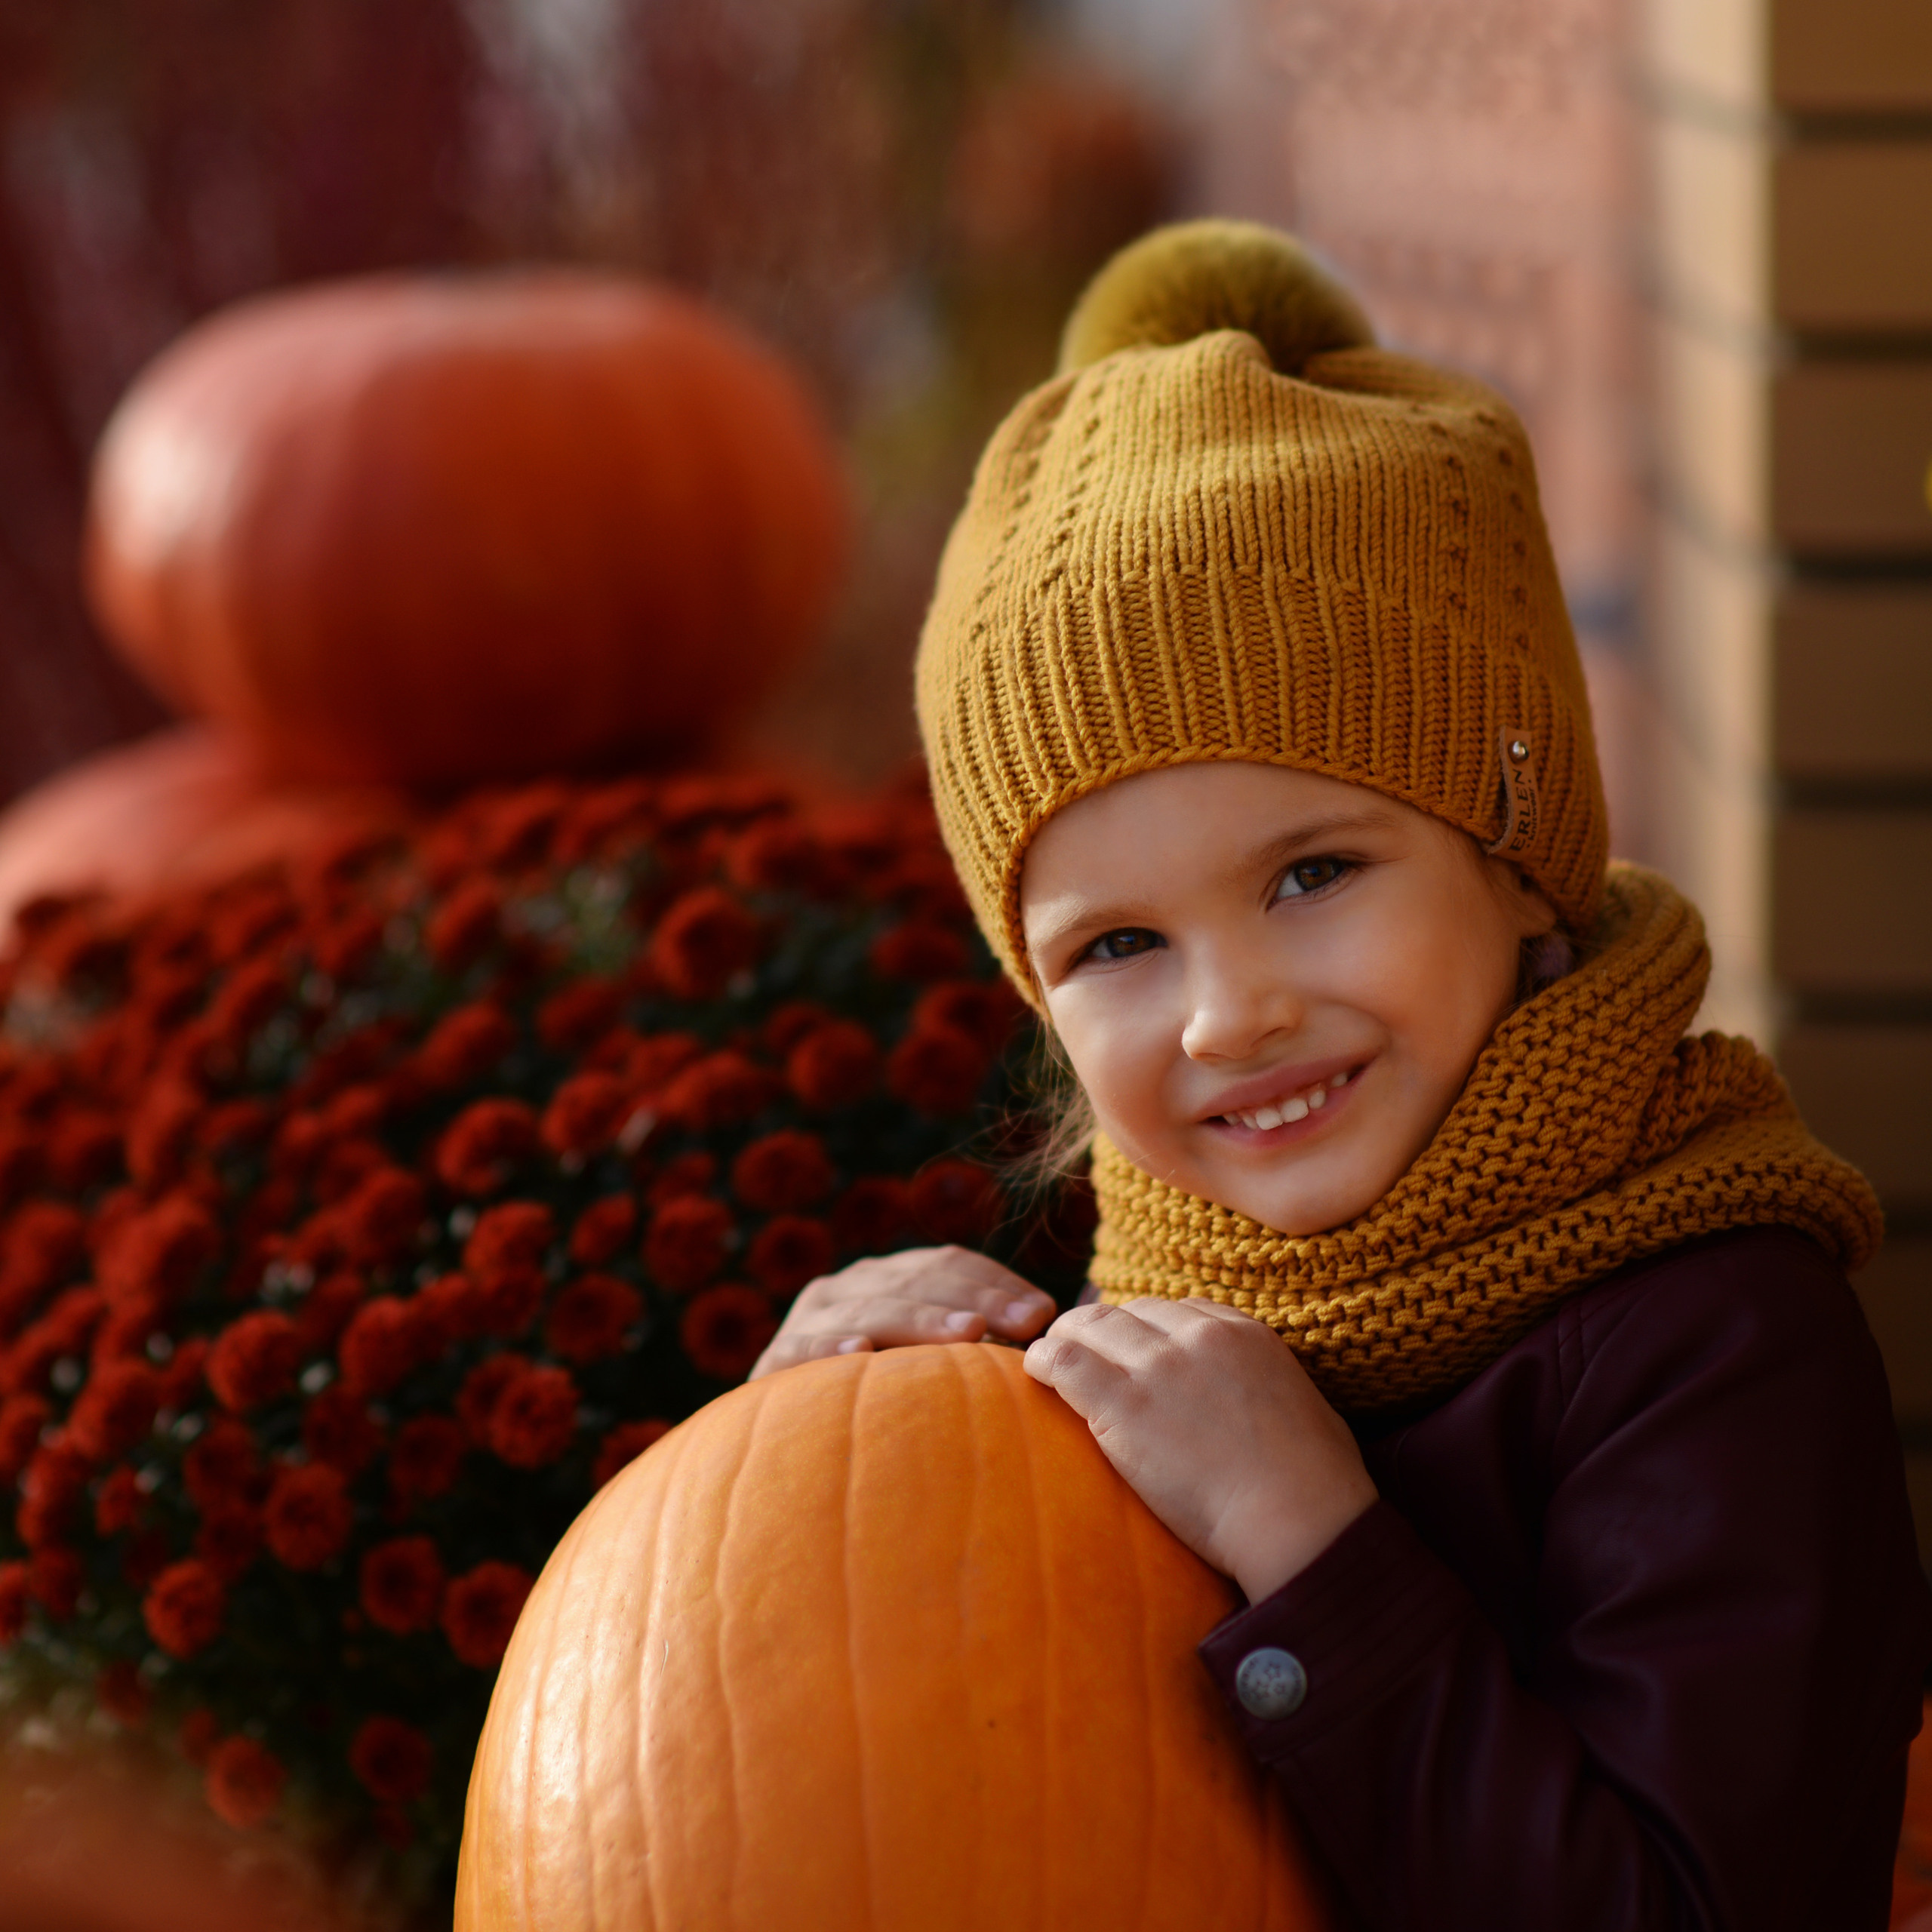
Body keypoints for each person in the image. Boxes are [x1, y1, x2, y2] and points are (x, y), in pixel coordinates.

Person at [749, 220, 1931, 1930]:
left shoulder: (1712, 1346)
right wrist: (854, 1443)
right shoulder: (1147, 1304)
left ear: (1516, 854)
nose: (1227, 1014)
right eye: (1114, 946)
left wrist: (1309, 1540)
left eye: (1310, 874)